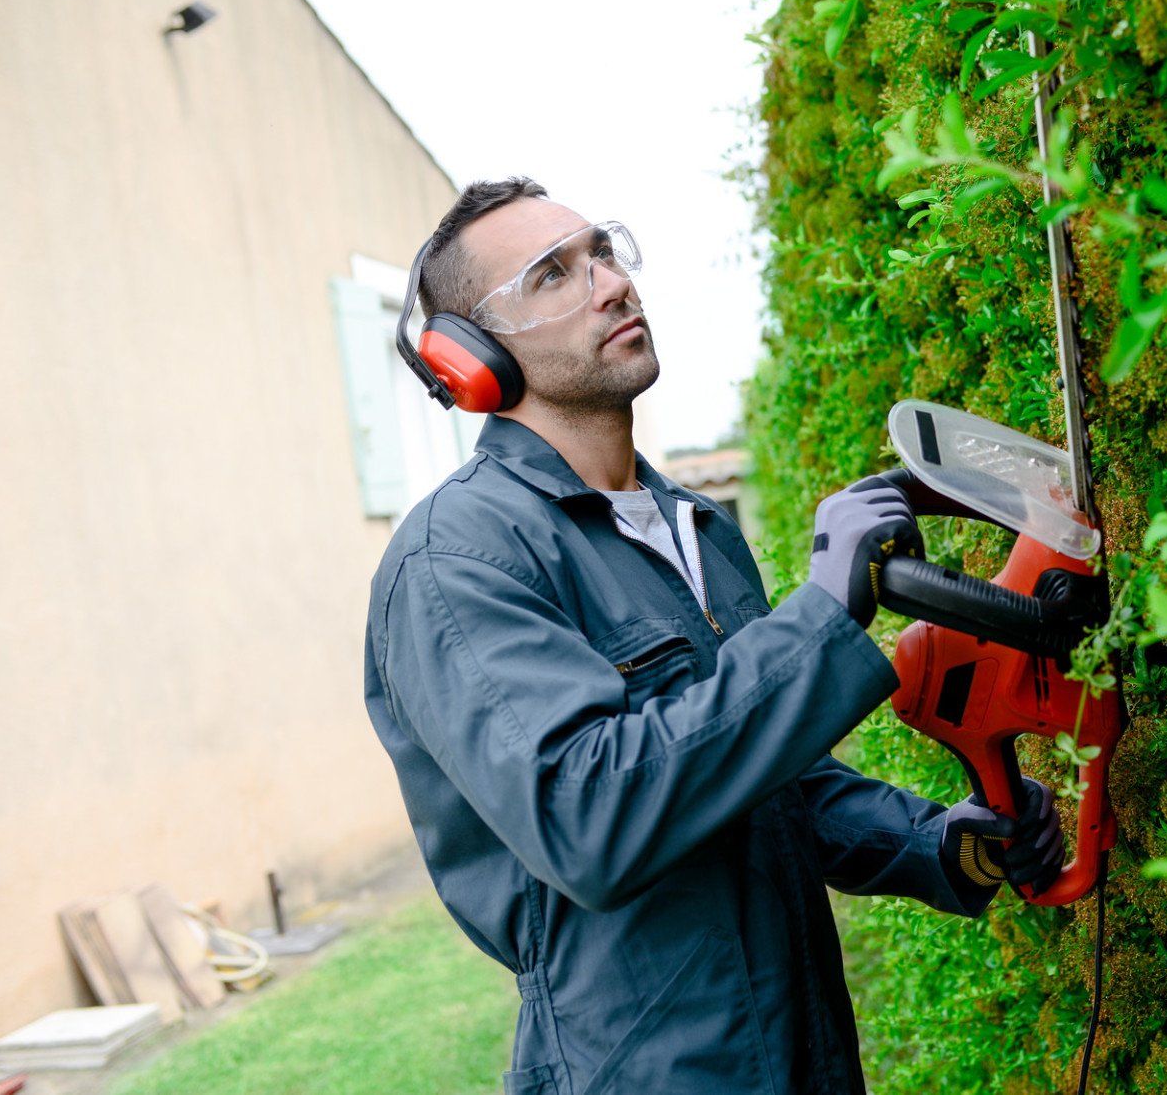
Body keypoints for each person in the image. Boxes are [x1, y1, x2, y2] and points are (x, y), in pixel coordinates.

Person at [361, 176, 1065, 1095]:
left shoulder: (695, 526)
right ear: (471, 357)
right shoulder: (458, 557)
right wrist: (819, 620)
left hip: (808, 1051)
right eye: (552, 275)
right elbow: (588, 819)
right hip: (648, 1067)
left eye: (604, 252)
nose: (610, 284)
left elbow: (768, 781)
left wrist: (944, 842)